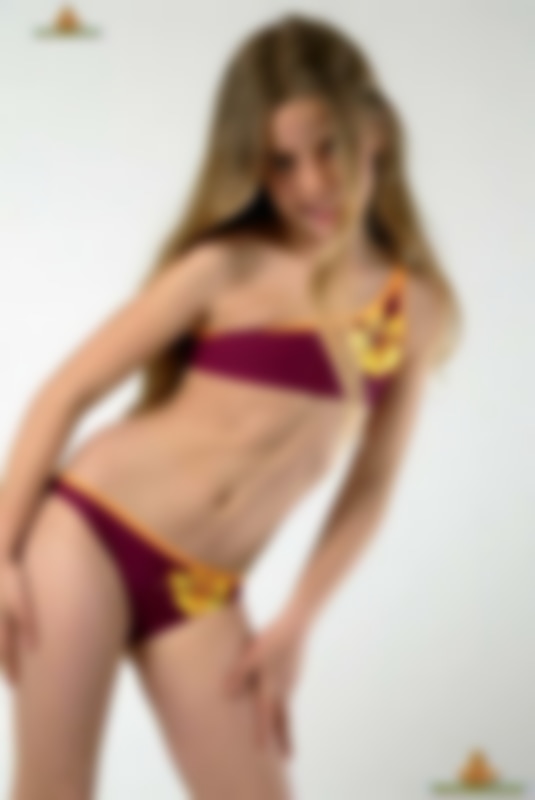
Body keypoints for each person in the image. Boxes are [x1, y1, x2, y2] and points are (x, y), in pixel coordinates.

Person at [0, 12, 462, 800]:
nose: (311, 182)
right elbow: (65, 392)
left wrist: (296, 622)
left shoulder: (413, 305)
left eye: (328, 147)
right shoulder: (225, 268)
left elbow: (372, 483)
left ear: (375, 131)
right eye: (280, 162)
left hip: (202, 589)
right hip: (90, 534)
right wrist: (2, 551)